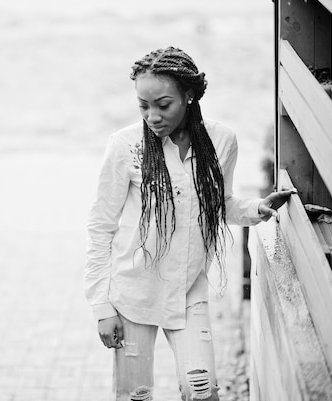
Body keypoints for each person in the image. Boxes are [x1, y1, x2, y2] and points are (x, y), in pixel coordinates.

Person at [84, 47, 294, 401]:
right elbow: (100, 226)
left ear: (189, 95)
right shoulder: (124, 146)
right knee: (135, 395)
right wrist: (102, 308)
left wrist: (258, 208)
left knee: (202, 391)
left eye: (163, 104)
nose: (152, 115)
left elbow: (219, 205)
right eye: (143, 105)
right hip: (133, 291)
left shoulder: (221, 140)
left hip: (188, 288)